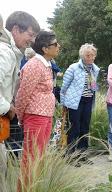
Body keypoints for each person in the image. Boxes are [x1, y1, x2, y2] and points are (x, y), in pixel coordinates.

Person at [15, 30, 60, 180]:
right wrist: (21, 117)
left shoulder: (46, 64)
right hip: (35, 117)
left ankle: (35, 187)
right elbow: (23, 94)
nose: (58, 46)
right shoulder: (34, 65)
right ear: (45, 49)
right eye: (55, 44)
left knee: (39, 157)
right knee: (31, 159)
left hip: (45, 115)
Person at [0, 11, 40, 172]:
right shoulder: (4, 53)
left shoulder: (11, 53)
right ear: (15, 29)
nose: (33, 40)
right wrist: (7, 107)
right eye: (30, 34)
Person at [60, 43, 99, 163]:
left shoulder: (94, 69)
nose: (91, 58)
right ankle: (71, 156)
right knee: (74, 128)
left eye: (93, 55)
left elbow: (93, 86)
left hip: (88, 100)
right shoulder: (73, 68)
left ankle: (82, 155)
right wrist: (63, 103)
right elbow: (64, 87)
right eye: (88, 55)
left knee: (85, 127)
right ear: (82, 56)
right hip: (75, 102)